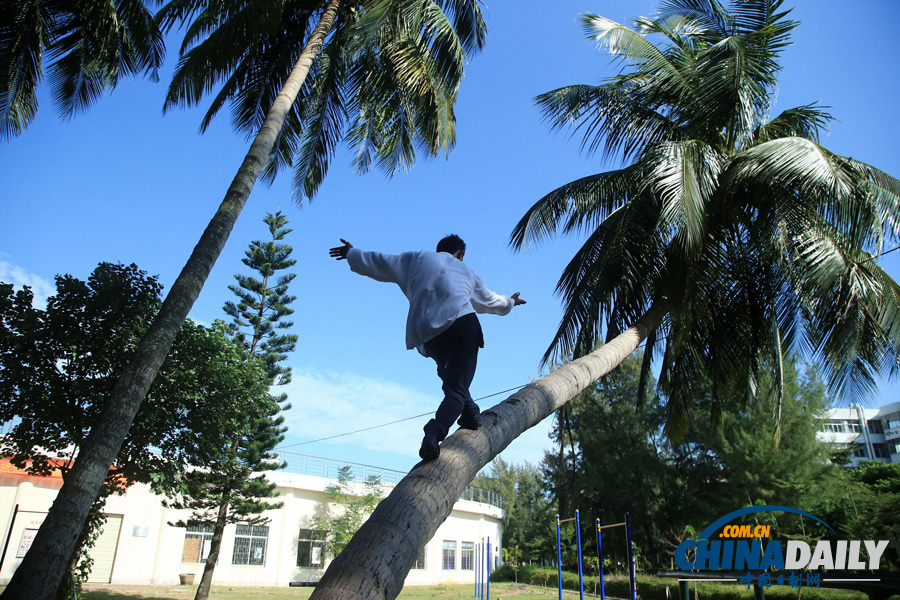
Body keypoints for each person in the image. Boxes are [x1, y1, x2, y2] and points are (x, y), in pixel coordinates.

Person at [329, 235, 526, 460]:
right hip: (463, 325)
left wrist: (353, 254)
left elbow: (381, 261)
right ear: (460, 254)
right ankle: (434, 431)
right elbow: (489, 300)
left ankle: (470, 412)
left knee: (451, 375)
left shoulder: (416, 258)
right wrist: (511, 301)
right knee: (457, 388)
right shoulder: (466, 270)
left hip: (429, 333)